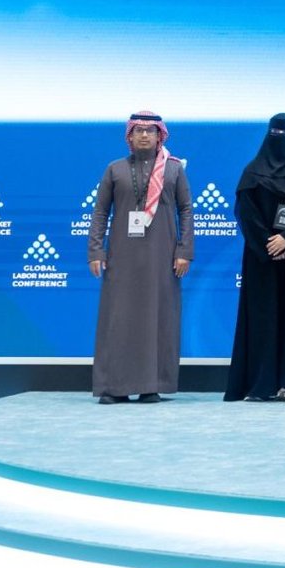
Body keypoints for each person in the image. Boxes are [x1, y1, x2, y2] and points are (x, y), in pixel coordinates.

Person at [87, 112, 193, 404]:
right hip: (121, 257)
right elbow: (100, 212)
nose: (144, 135)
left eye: (150, 130)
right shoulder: (115, 169)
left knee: (158, 318)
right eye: (138, 130)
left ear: (160, 136)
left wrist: (184, 251)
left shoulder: (173, 170)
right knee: (118, 319)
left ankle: (151, 386)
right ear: (130, 136)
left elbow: (185, 210)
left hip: (163, 258)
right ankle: (115, 387)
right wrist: (95, 250)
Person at [226, 113, 285, 402]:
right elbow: (246, 212)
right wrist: (268, 243)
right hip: (260, 258)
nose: (281, 139)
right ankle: (259, 383)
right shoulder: (253, 171)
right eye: (276, 133)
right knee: (262, 318)